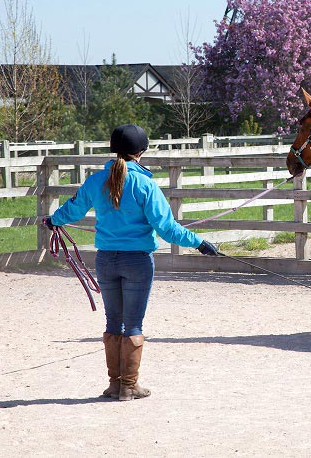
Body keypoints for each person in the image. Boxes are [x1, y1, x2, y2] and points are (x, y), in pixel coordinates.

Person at [44, 124, 220, 401]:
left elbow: (73, 208)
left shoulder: (95, 181)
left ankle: (115, 384)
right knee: (133, 323)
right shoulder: (146, 185)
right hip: (137, 261)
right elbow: (167, 228)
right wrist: (199, 242)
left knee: (113, 321)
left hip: (105, 260)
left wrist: (53, 220)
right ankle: (129, 386)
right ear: (142, 152)